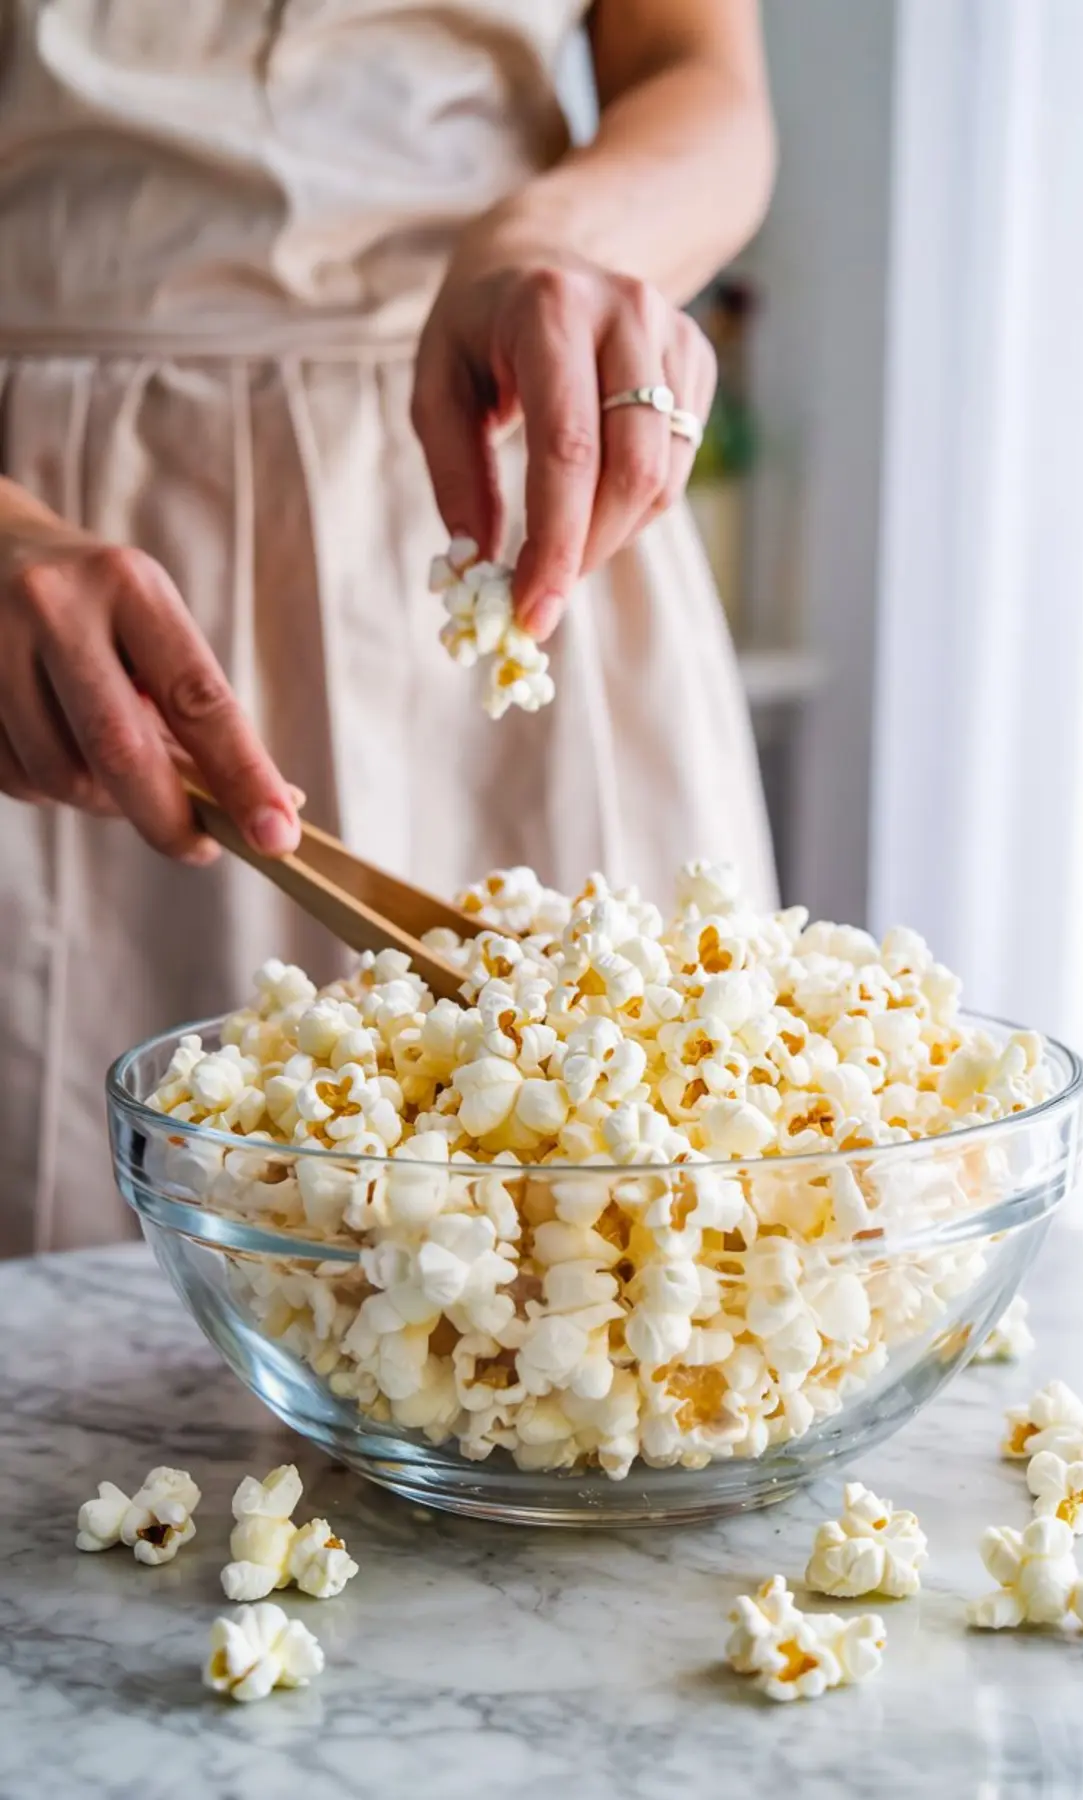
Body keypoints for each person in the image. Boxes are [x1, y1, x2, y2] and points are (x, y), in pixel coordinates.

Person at [0, 0, 778, 1256]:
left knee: (607, 1256)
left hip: (514, 470)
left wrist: (559, 236)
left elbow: (706, 81)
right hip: (63, 532)